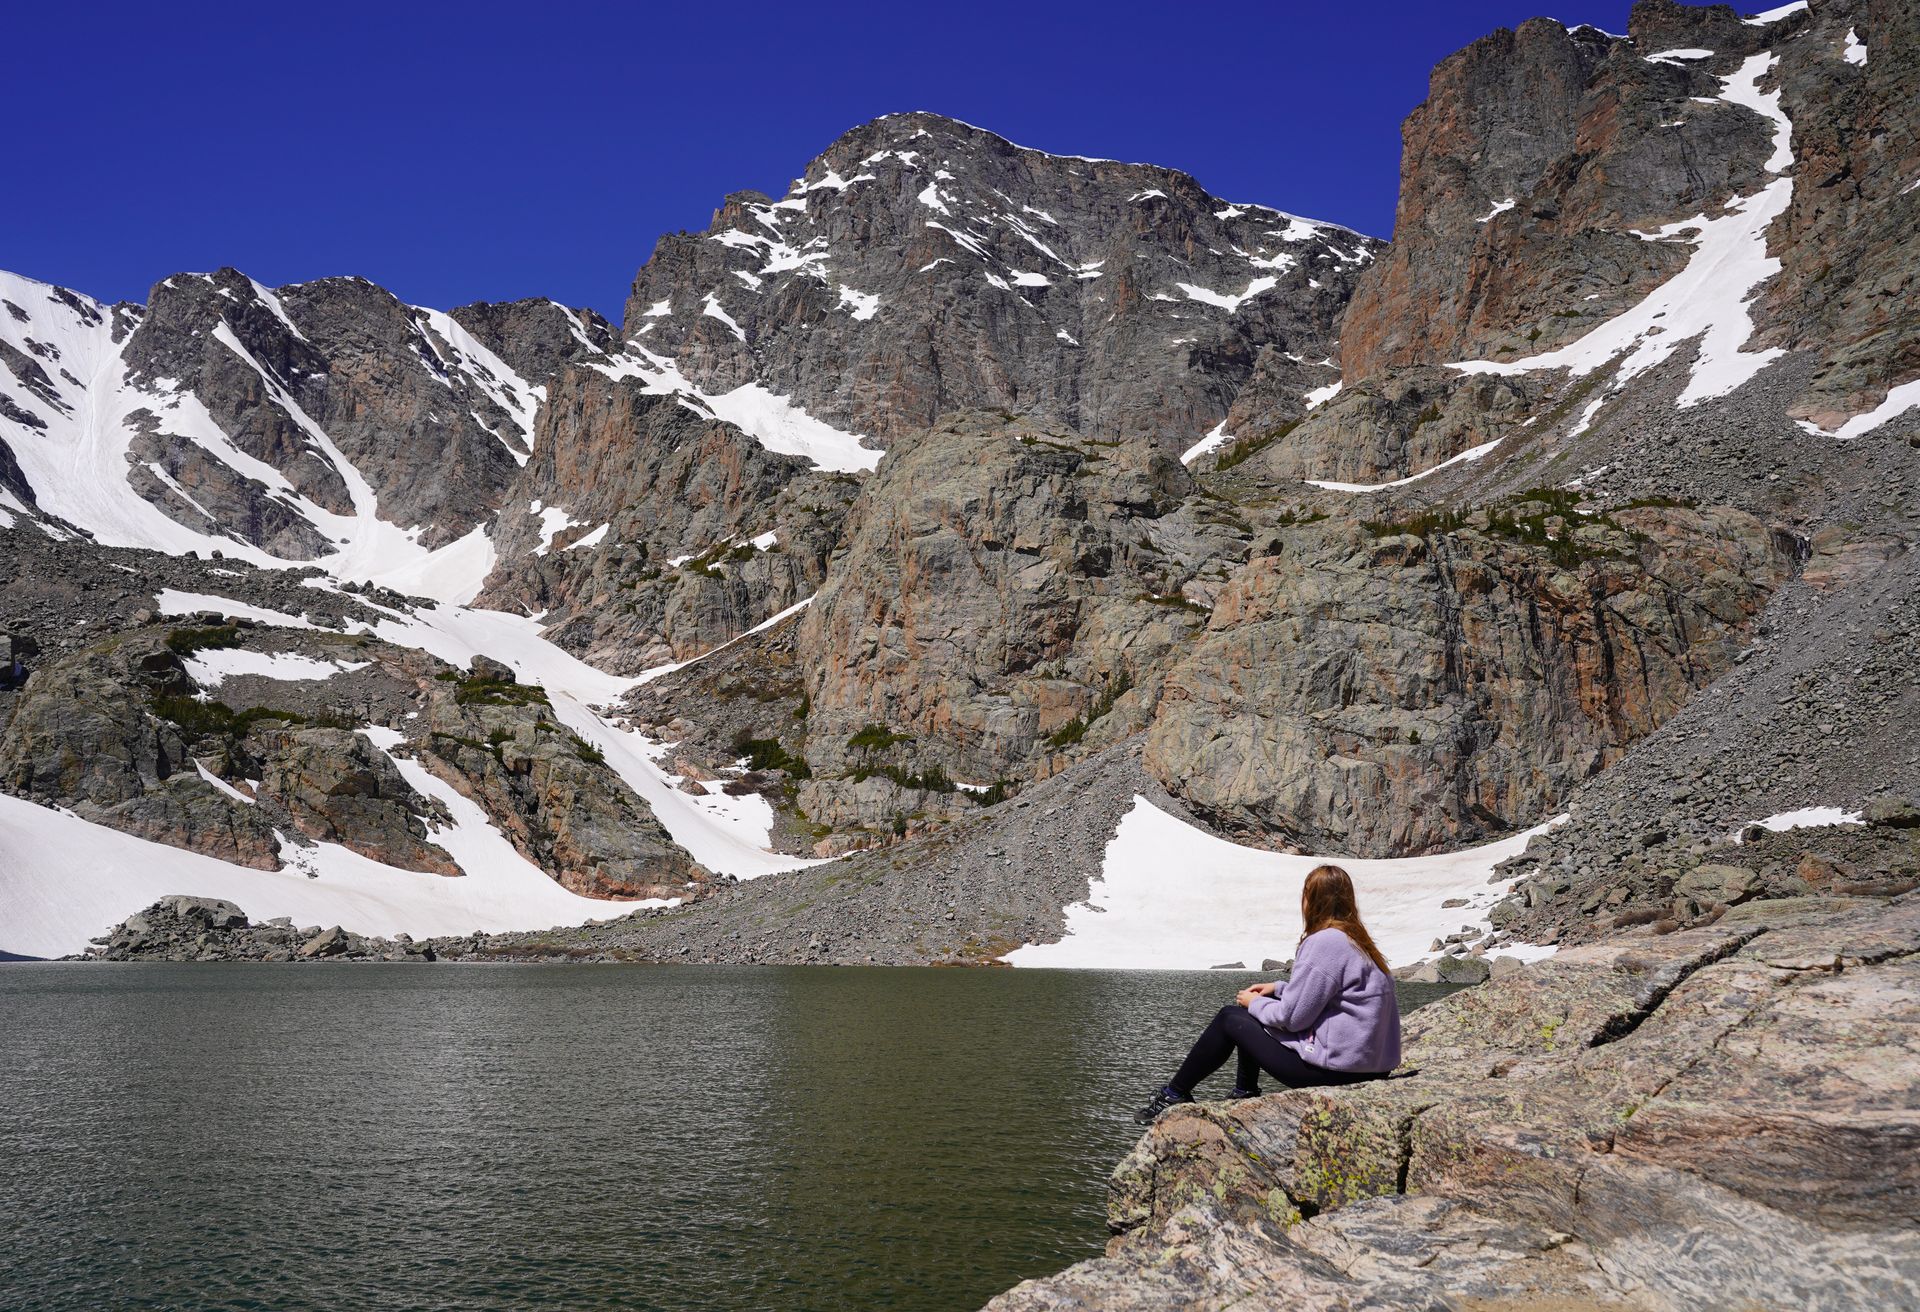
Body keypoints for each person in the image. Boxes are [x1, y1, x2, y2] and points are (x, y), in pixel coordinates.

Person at [1135, 864, 1402, 1123]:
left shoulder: (1324, 941)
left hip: (1335, 1072)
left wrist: (1255, 1003)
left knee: (1232, 1018)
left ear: (1312, 900)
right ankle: (1243, 1091)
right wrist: (1278, 989)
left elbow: (1293, 1018)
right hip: (1373, 1069)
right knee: (1253, 1009)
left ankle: (1174, 1093)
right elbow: (1333, 997)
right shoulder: (1359, 941)